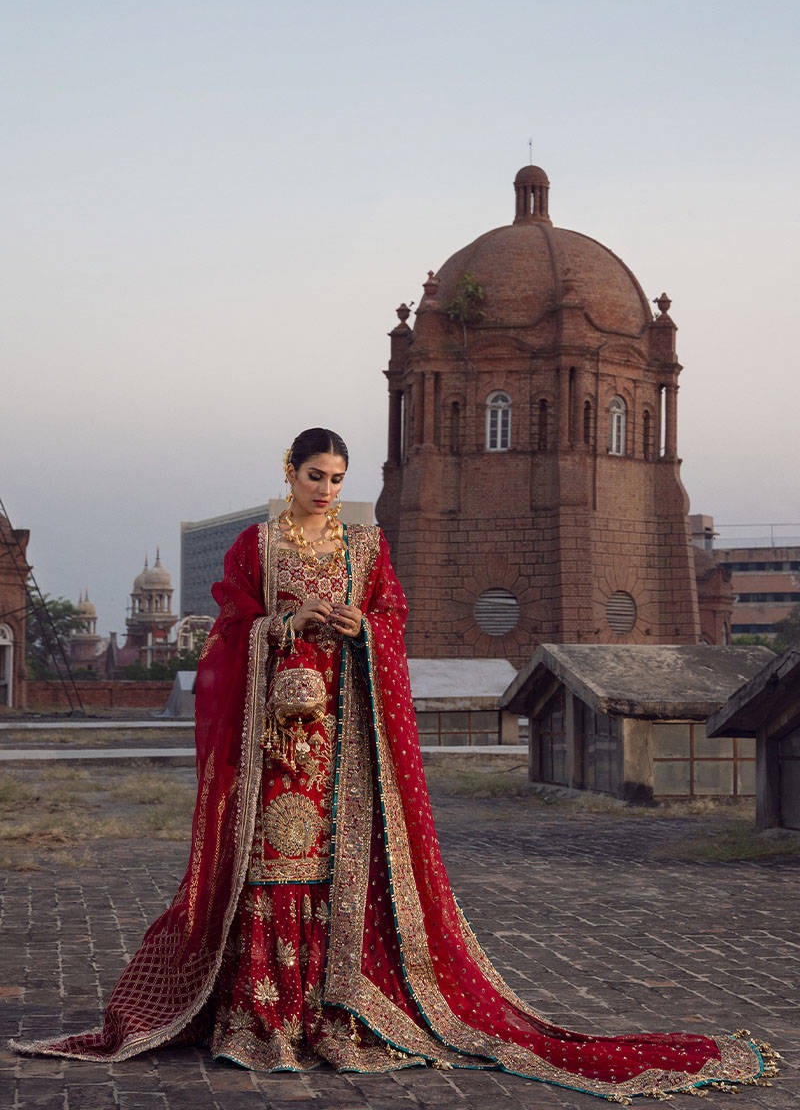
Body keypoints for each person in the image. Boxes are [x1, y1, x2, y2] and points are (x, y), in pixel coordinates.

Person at [11, 428, 779, 1101]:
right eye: (316, 475)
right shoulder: (260, 545)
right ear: (291, 473)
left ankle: (333, 1009)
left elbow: (392, 615)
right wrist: (285, 621)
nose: (327, 490)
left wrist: (359, 624)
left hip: (343, 737)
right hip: (277, 735)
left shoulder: (366, 546)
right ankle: (259, 1013)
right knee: (272, 860)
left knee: (331, 865)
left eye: (339, 479)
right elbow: (230, 626)